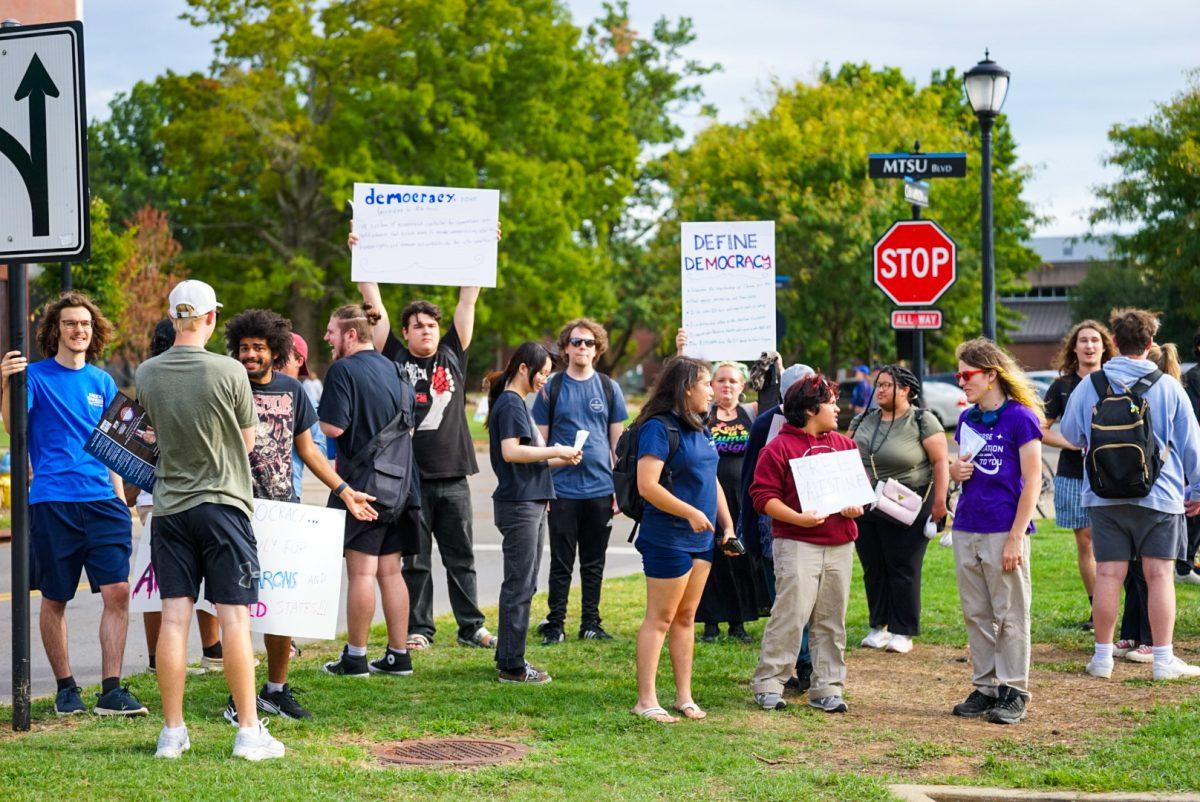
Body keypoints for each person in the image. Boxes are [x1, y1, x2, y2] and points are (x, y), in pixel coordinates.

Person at [136, 279, 283, 760]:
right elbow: (246, 440)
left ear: (174, 317)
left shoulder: (148, 373)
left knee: (174, 619)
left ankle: (172, 733)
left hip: (171, 507)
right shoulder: (229, 371)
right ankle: (247, 730)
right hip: (222, 503)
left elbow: (150, 434)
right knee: (235, 619)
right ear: (211, 318)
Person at [225, 309, 379, 719]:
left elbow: (309, 450)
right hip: (236, 508)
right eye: (245, 348)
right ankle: (235, 697)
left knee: (282, 604)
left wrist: (344, 491)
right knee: (235, 604)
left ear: (275, 351)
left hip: (283, 510)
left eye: (259, 348)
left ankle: (276, 688)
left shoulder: (292, 391)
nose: (251, 355)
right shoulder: (226, 386)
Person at [0, 292, 147, 717]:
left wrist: (120, 500)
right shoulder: (35, 376)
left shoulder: (102, 382)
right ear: (55, 330)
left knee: (118, 592)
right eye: (69, 324)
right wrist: (7, 382)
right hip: (52, 500)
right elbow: (13, 428)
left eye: (84, 324)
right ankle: (67, 689)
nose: (78, 330)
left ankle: (112, 689)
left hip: (103, 502)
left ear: (93, 330)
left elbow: (114, 448)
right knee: (55, 597)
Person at [351, 226, 495, 651]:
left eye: (431, 324)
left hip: (452, 475)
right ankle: (419, 629)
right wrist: (363, 262)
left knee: (461, 556)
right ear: (407, 332)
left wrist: (485, 243)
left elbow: (468, 297)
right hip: (407, 479)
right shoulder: (392, 355)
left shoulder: (454, 352)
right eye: (417, 326)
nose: (426, 331)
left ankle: (471, 626)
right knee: (414, 560)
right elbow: (373, 305)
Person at [1061, 309, 1200, 684]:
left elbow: (1072, 435)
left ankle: (1103, 658)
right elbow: (1192, 445)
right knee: (1159, 575)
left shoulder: (1090, 384)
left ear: (1114, 343)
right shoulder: (1170, 386)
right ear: (1150, 343)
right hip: (1161, 495)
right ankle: (1162, 659)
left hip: (1103, 496)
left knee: (1108, 573)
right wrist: (1197, 489)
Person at [750, 375, 863, 715]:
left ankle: (827, 686)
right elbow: (762, 496)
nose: (836, 408)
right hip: (797, 542)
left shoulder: (844, 445)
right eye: (831, 402)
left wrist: (856, 506)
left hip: (840, 542)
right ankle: (770, 682)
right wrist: (797, 518)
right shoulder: (778, 448)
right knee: (791, 614)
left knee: (831, 617)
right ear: (812, 409)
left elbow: (861, 492)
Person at [631, 357, 735, 723]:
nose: (711, 391)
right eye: (707, 384)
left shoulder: (701, 427)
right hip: (668, 538)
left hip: (703, 541)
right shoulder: (658, 429)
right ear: (687, 387)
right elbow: (647, 485)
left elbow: (712, 478)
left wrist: (727, 524)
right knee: (660, 618)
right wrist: (689, 512)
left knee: (687, 617)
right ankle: (646, 700)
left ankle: (684, 697)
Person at [320, 303, 421, 678]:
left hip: (364, 487)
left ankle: (356, 657)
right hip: (403, 486)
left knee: (361, 573)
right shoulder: (396, 368)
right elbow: (409, 426)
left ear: (350, 334)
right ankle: (398, 655)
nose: (327, 338)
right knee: (392, 572)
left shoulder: (343, 370)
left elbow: (332, 428)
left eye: (331, 331)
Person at [948, 338, 1043, 726]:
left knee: (1010, 613)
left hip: (1004, 526)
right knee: (977, 612)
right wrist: (956, 473)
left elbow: (1033, 480)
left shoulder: (1020, 417)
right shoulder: (967, 419)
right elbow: (960, 467)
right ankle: (986, 686)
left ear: (990, 375)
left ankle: (1013, 688)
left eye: (967, 375)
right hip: (968, 523)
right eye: (959, 375)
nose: (961, 382)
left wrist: (1017, 535)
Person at [127, 319, 223, 677]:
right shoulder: (199, 376)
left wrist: (130, 491)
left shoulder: (149, 380)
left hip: (156, 496)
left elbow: (132, 444)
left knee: (161, 579)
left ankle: (160, 657)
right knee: (185, 577)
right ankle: (207, 651)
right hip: (187, 491)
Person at [487, 342, 582, 683]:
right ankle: (512, 665)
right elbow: (511, 452)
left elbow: (530, 459)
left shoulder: (517, 403)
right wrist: (556, 448)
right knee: (520, 584)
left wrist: (563, 456)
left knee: (523, 582)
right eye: (542, 372)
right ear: (523, 368)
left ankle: (510, 655)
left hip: (531, 499)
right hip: (520, 505)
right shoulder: (512, 403)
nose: (544, 379)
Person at [531, 319, 628, 644]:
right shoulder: (551, 388)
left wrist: (621, 488)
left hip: (600, 488)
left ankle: (591, 623)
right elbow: (539, 446)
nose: (582, 347)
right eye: (575, 342)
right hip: (561, 489)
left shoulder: (608, 387)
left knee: (593, 562)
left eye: (588, 342)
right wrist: (542, 486)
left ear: (597, 348)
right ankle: (555, 624)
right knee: (560, 562)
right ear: (565, 347)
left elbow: (619, 446)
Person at [848, 365, 948, 655]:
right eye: (878, 385)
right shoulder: (863, 418)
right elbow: (844, 449)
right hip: (867, 501)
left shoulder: (922, 420)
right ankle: (878, 626)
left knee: (903, 566)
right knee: (873, 565)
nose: (879, 390)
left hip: (908, 502)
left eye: (887, 385)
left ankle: (903, 630)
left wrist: (941, 502)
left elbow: (941, 462)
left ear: (906, 390)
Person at [1041, 320, 1117, 630]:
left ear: (1104, 347)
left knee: (1111, 542)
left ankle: (1116, 605)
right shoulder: (1061, 386)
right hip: (1073, 474)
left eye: (1095, 341)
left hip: (1113, 474)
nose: (1089, 346)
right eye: (1083, 340)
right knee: (1086, 543)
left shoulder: (1114, 380)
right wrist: (1072, 444)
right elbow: (1040, 429)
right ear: (1074, 347)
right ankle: (1095, 609)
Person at [279, 331, 327, 502]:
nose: (276, 360)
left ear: (299, 361)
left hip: (287, 493)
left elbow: (319, 450)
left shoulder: (309, 404)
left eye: (283, 355)